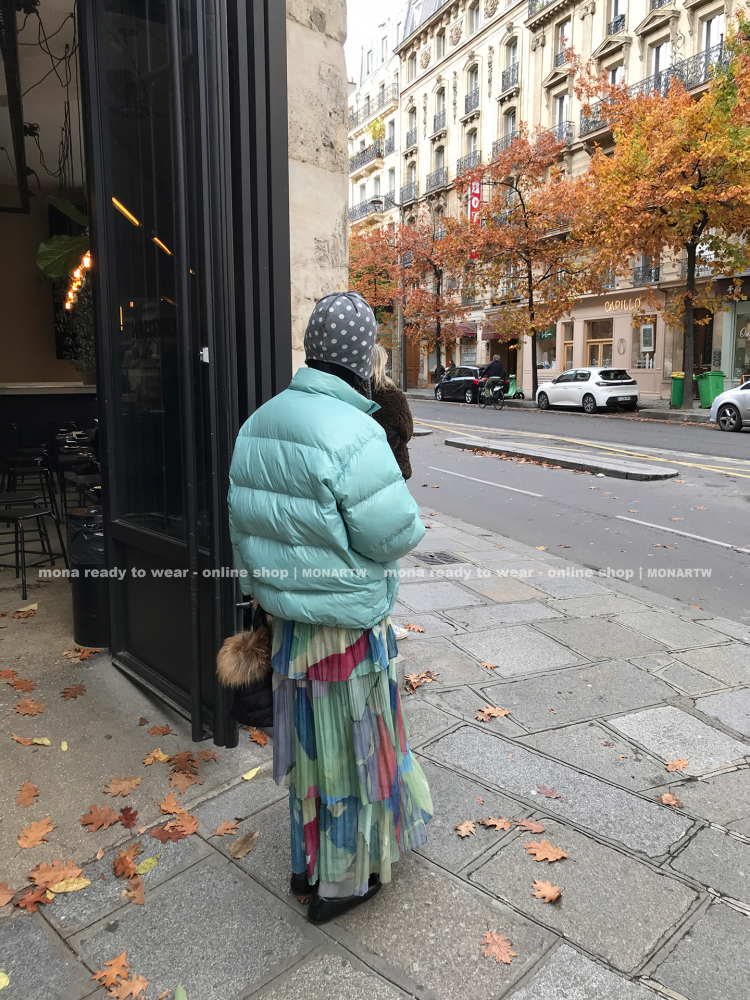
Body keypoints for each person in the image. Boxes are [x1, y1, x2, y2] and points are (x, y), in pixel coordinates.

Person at [228, 290, 433, 925]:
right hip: (346, 631)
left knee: (311, 749)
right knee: (354, 751)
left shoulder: (259, 422)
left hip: (291, 629)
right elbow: (394, 533)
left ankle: (305, 863)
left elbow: (243, 528)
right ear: (361, 354)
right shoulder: (355, 431)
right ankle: (340, 883)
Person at [370, 343, 413, 481]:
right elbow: (407, 431)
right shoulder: (394, 396)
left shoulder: (352, 393)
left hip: (361, 468)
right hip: (392, 464)